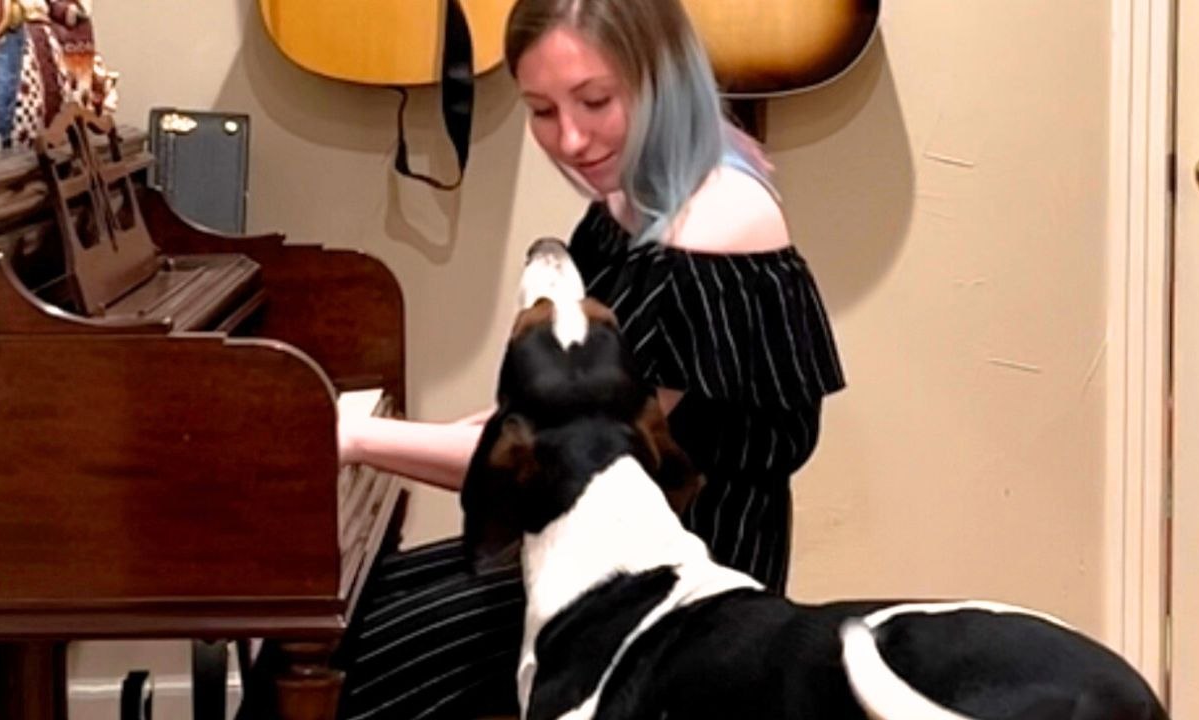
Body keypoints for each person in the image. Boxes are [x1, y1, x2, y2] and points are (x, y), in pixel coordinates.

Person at [334, 0, 845, 717]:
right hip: (593, 552)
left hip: (672, 596)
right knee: (367, 612)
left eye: (595, 101)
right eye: (541, 110)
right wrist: (372, 439)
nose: (569, 138)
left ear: (661, 75)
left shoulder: (715, 227)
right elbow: (537, 420)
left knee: (359, 676)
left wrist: (353, 438)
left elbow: (571, 450)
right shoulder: (631, 196)